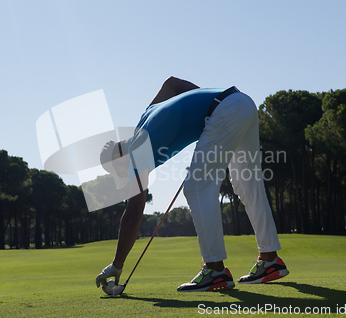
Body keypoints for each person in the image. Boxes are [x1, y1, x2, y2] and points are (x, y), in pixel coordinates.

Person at [95, 76, 289, 292]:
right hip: (242, 102)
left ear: (118, 159)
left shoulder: (135, 154)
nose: (123, 176)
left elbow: (132, 214)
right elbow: (172, 84)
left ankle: (215, 271)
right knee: (246, 183)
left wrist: (116, 265)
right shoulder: (144, 121)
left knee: (197, 187)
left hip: (226, 110)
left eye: (117, 171)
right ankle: (270, 260)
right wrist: (209, 110)